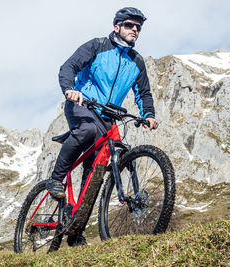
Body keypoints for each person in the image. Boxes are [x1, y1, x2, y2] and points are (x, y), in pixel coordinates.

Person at [46, 7, 158, 246]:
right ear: (116, 26)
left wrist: (148, 114)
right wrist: (70, 90)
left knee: (95, 174)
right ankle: (56, 179)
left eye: (138, 27)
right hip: (82, 105)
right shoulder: (97, 46)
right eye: (130, 25)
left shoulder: (136, 62)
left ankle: (75, 230)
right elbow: (68, 67)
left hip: (108, 117)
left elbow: (144, 93)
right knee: (87, 131)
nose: (135, 30)